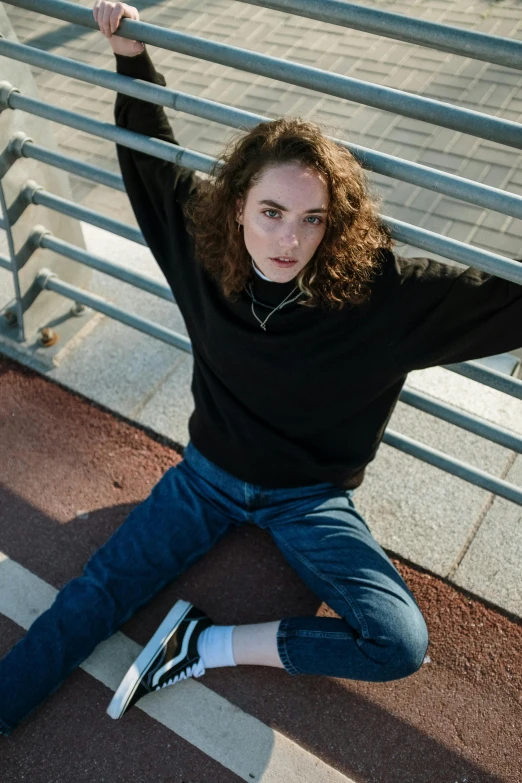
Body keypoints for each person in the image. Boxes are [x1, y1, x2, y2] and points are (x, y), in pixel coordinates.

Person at [1, 1, 521, 736]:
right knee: (93, 595)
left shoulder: (383, 299)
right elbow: (149, 158)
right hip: (203, 480)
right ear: (239, 202)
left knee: (399, 642)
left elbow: (506, 301)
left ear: (334, 224)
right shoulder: (201, 251)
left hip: (308, 500)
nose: (288, 239)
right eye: (272, 211)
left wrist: (218, 643)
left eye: (313, 219)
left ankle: (200, 643)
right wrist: (130, 54)